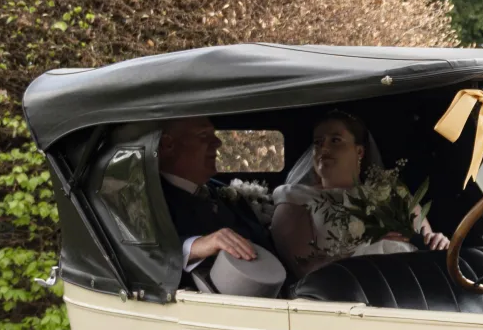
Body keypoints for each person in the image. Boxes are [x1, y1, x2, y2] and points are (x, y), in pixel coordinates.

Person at [271, 111, 450, 278]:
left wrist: (437, 242)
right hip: (352, 287)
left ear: (360, 151)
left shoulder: (393, 192)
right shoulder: (293, 198)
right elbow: (305, 269)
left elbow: (424, 240)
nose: (323, 148)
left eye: (335, 140)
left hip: (415, 279)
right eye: (318, 142)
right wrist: (368, 247)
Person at [157, 116, 279, 284]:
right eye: (203, 135)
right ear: (167, 144)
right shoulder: (148, 197)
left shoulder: (222, 190)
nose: (217, 142)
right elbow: (139, 254)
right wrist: (196, 246)